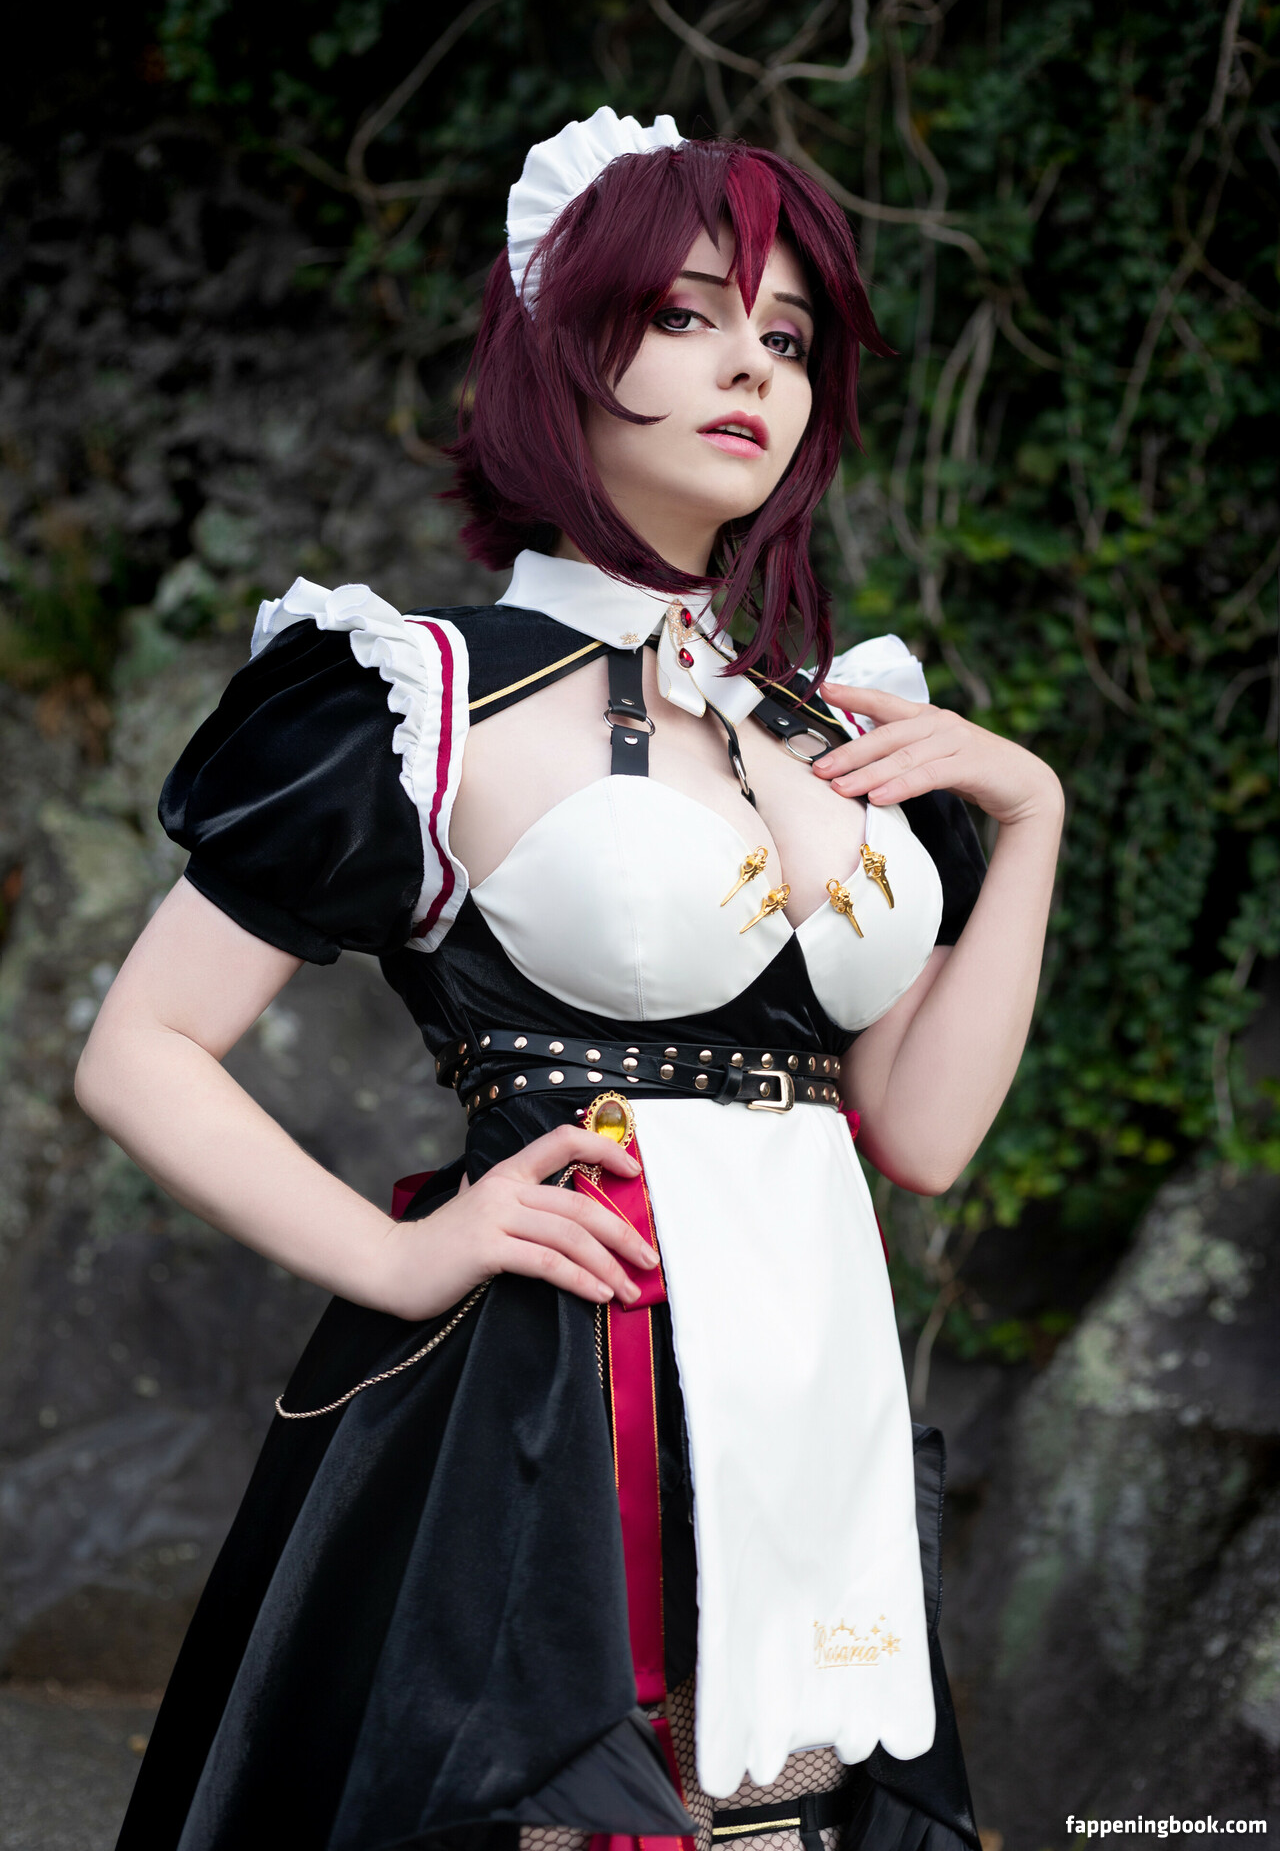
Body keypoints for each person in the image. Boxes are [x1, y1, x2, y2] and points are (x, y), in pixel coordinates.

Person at [79, 109, 1063, 1851]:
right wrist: (399, 1252)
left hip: (808, 1372)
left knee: (783, 1810)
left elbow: (920, 1132)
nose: (750, 368)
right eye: (685, 316)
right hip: (543, 1391)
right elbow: (141, 1046)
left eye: (786, 338)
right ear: (561, 351)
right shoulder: (424, 696)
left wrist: (1032, 813)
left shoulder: (846, 722)